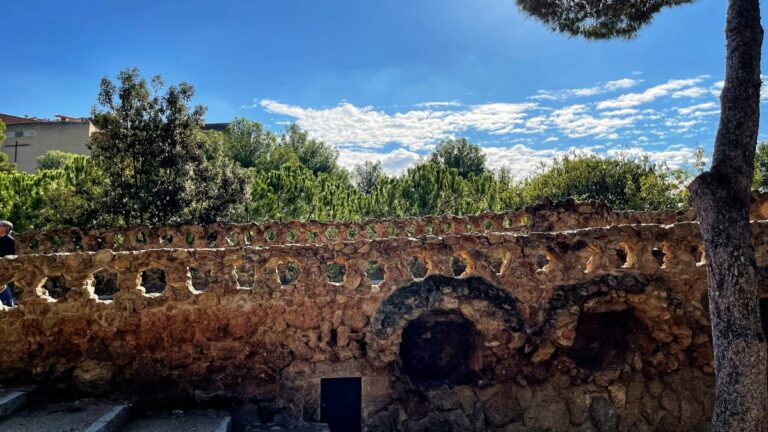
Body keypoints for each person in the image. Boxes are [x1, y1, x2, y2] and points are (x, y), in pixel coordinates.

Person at [0, 220, 16, 307]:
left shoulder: (10, 240)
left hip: (5, 267)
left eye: (1, 225)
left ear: (6, 228)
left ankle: (9, 305)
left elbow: (10, 256)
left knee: (7, 286)